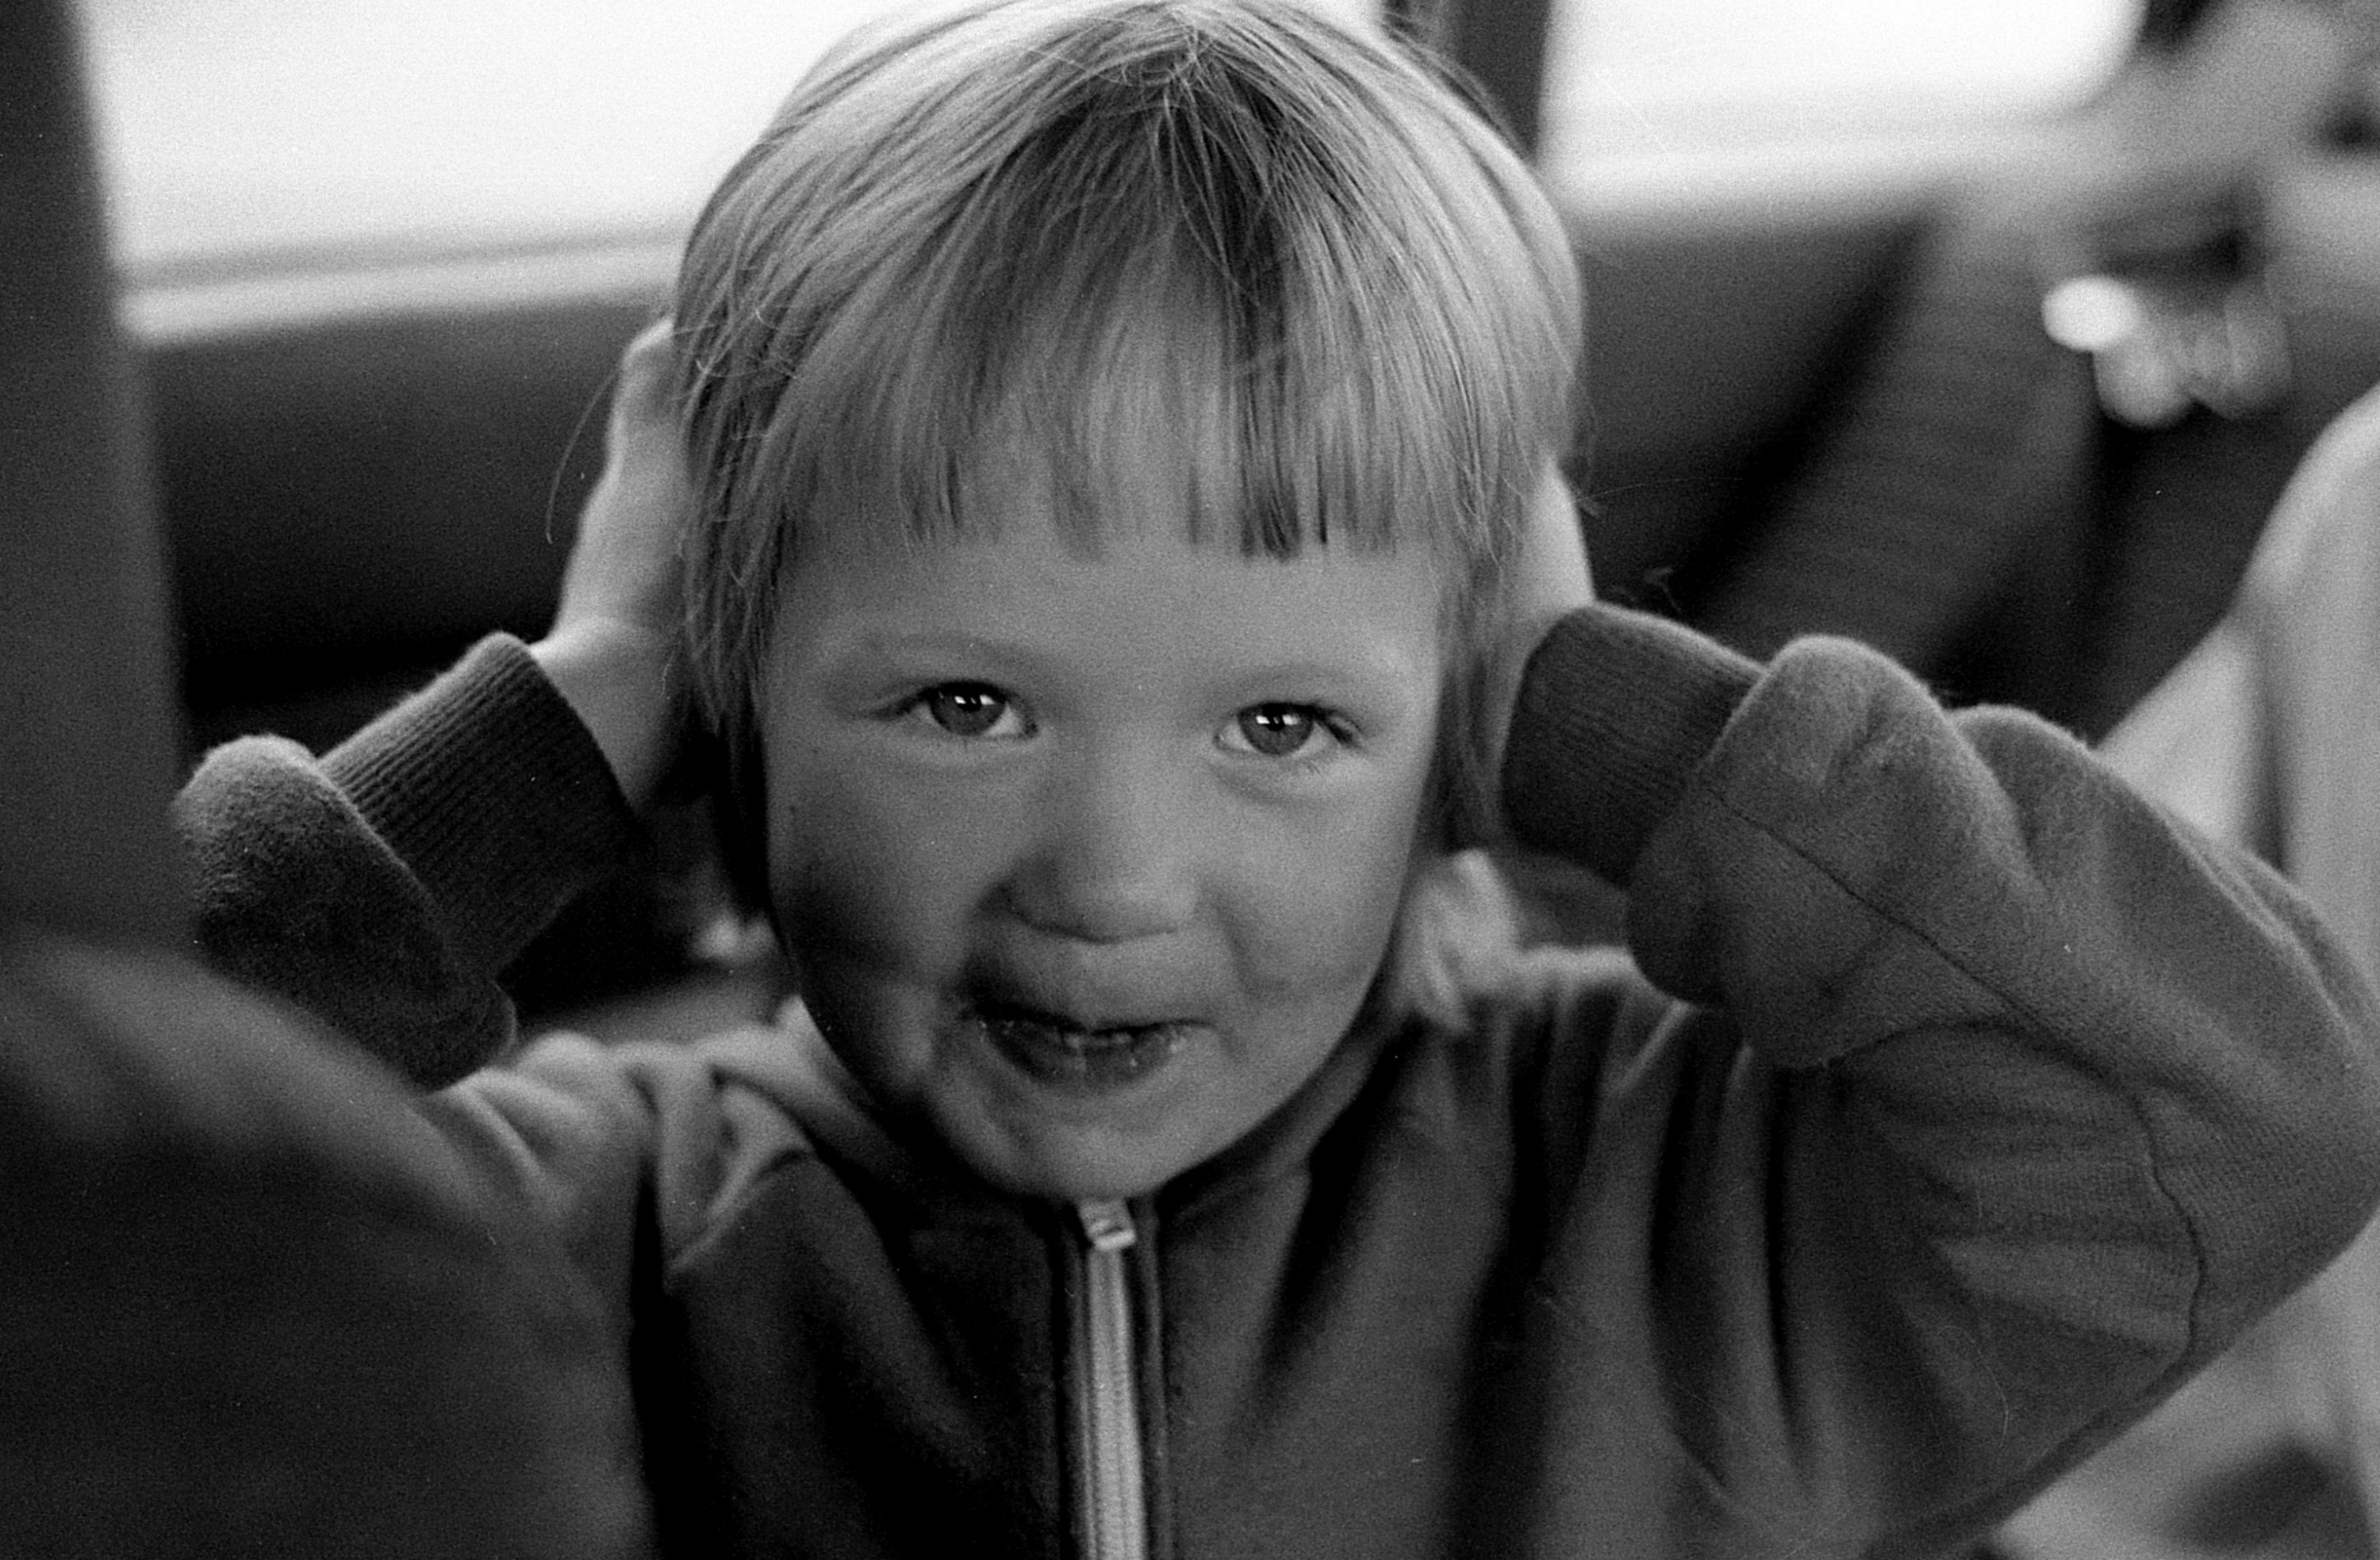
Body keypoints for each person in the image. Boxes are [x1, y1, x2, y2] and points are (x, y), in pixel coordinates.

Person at [175, 2, 2380, 1554]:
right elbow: (85, 1205)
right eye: (967, 706)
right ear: (734, 703)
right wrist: (581, 704)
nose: (1114, 880)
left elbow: (2243, 1104)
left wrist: (1585, 711)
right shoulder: (595, 1240)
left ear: (1460, 734)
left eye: (1285, 727)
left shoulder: (1670, 1213)